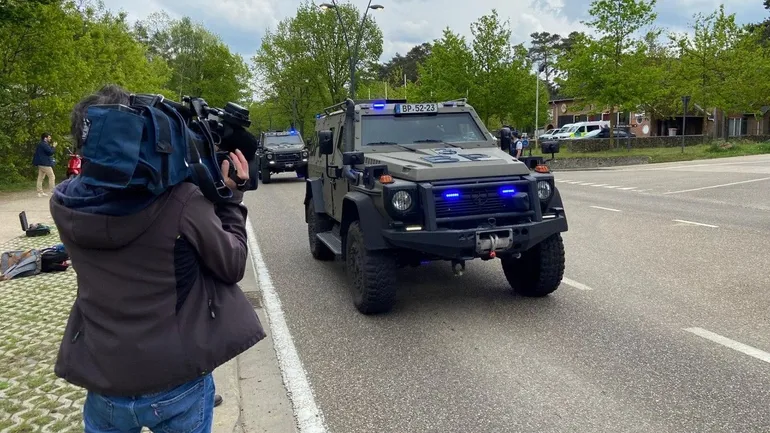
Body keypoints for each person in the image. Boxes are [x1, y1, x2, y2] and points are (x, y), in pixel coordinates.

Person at [49, 85, 266, 433]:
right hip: (175, 379)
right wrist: (229, 197)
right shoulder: (182, 201)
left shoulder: (65, 203)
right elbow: (233, 263)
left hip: (104, 379)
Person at [33, 132, 57, 197]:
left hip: (40, 163)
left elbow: (47, 152)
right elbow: (50, 152)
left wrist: (51, 147)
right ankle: (53, 191)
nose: (50, 138)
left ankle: (39, 192)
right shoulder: (44, 144)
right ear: (45, 138)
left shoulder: (41, 144)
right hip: (45, 164)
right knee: (52, 176)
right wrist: (54, 146)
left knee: (40, 178)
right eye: (49, 137)